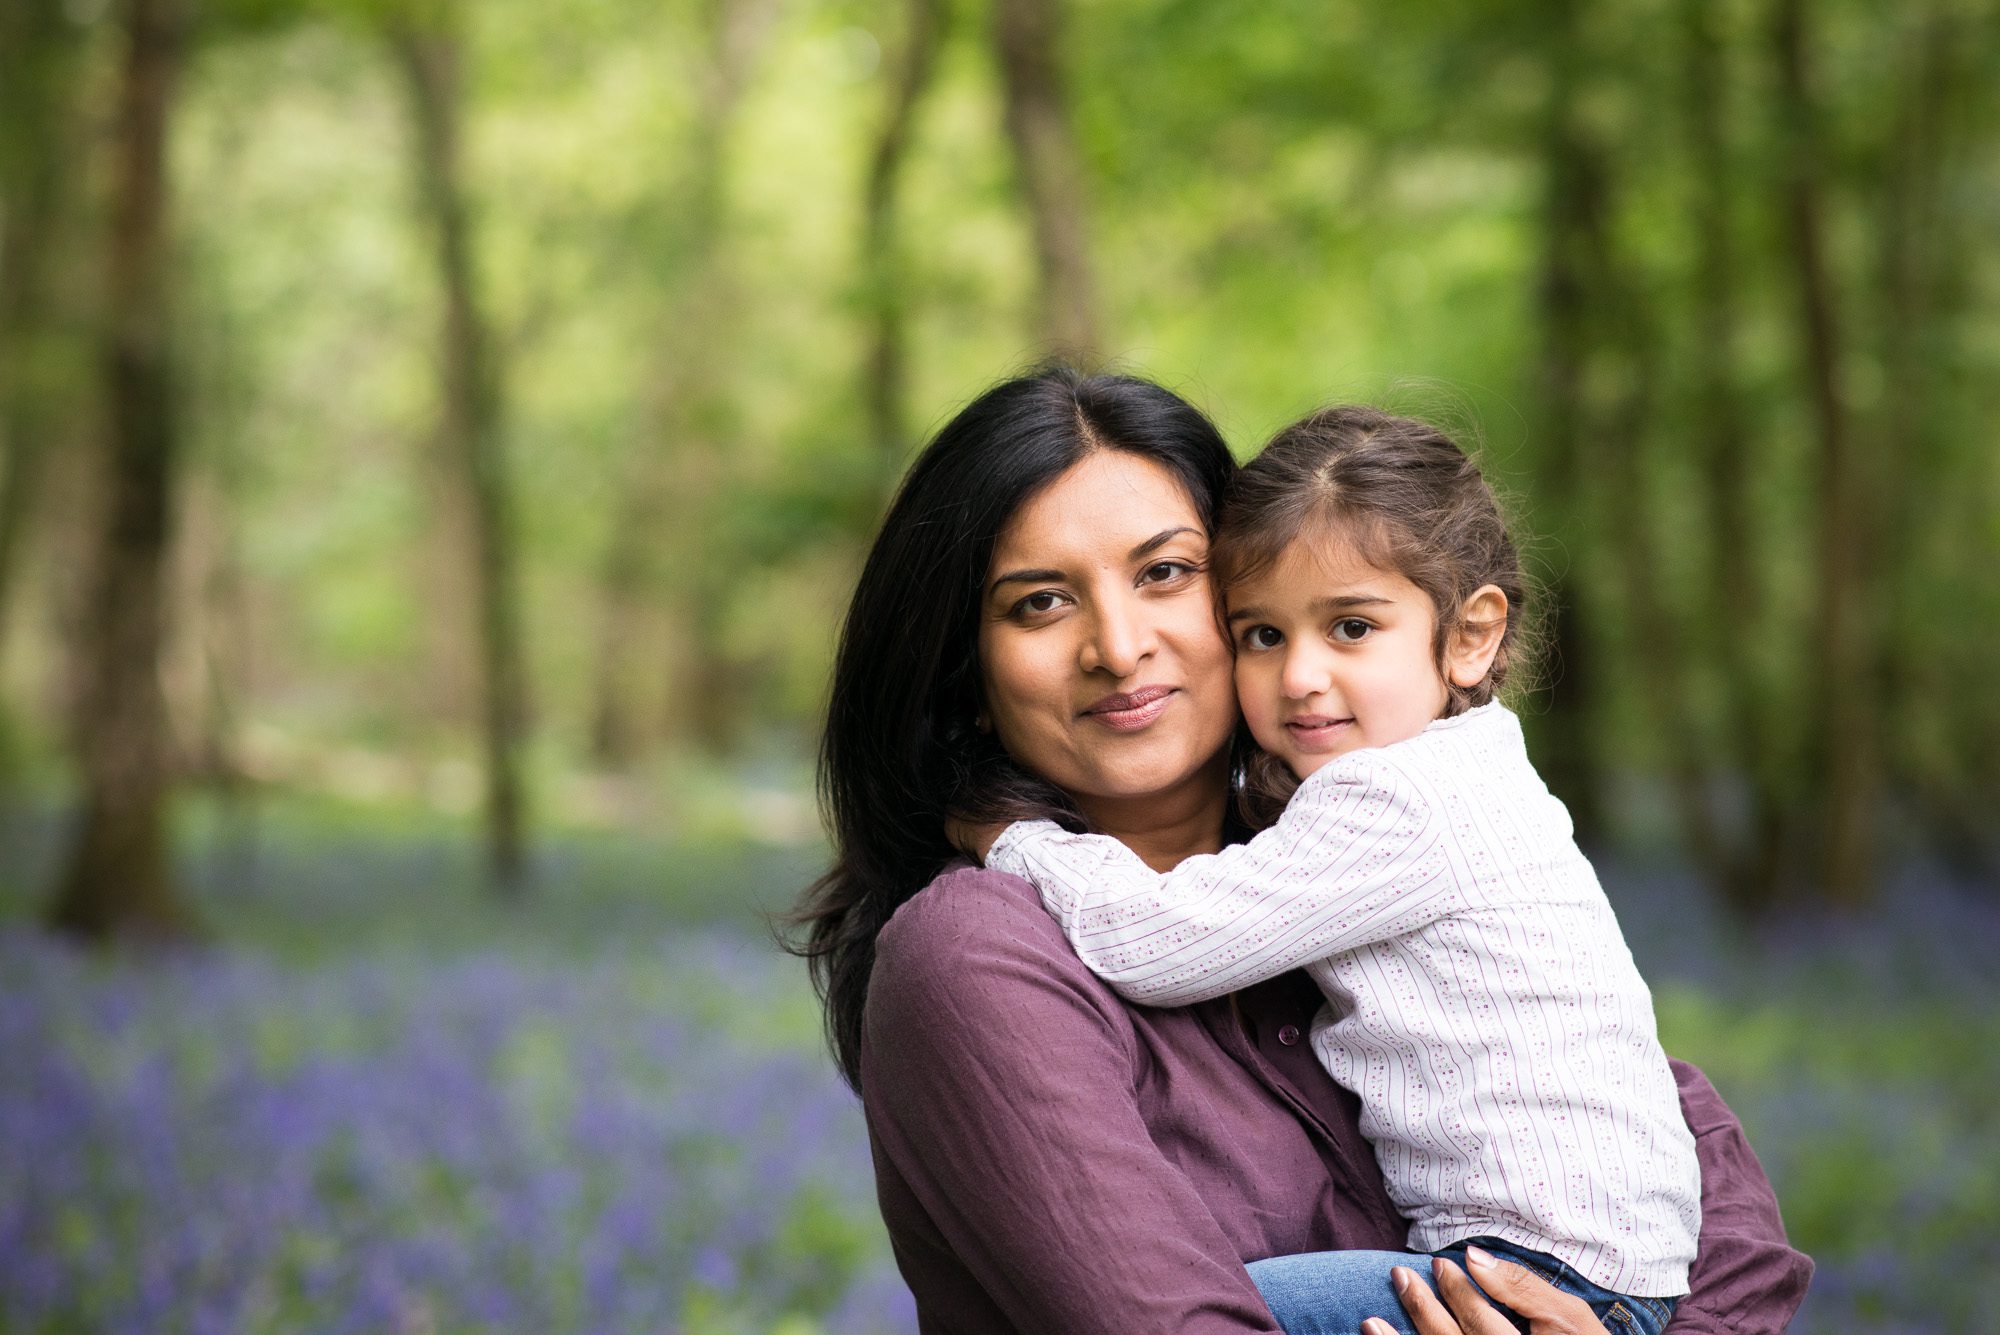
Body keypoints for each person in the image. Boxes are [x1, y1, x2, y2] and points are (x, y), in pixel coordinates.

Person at [786, 367, 1812, 1334]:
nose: (1116, 643)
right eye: (1039, 601)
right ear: (964, 665)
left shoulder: (1356, 860)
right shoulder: (975, 955)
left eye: (1164, 572)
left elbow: (1716, 1211)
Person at [965, 407, 1694, 1335]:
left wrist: (1012, 840)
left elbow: (1155, 942)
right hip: (1606, 1270)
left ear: (1471, 636)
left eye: (1350, 626)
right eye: (1262, 635)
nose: (1300, 675)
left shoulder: (1396, 799)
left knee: (1218, 1317)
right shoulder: (1479, 773)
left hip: (1532, 1281)